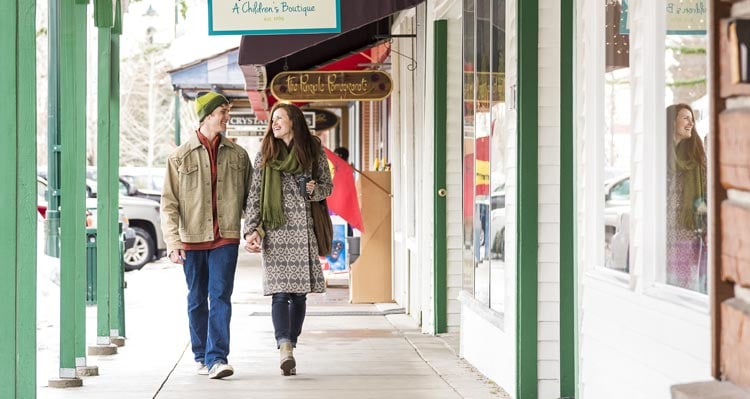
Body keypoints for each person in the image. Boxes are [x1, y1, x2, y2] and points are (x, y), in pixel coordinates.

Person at [161, 91, 251, 379]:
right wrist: (173, 242)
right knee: (197, 298)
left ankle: (217, 358)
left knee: (221, 296)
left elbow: (251, 197)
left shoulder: (238, 155)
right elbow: (169, 203)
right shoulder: (179, 157)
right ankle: (201, 353)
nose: (227, 117)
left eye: (227, 111)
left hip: (226, 237)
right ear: (207, 116)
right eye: (223, 112)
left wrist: (254, 229)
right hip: (192, 238)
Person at [243, 102, 332, 376]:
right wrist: (251, 229)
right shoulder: (265, 155)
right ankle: (284, 347)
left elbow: (327, 187)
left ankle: (290, 344)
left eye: (279, 118)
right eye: (272, 119)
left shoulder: (313, 152)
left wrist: (315, 189)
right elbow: (255, 196)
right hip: (276, 231)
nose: (274, 123)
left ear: (294, 120)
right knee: (280, 294)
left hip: (303, 231)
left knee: (299, 296)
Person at [666, 103, 707, 293]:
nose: (691, 123)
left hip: (686, 230)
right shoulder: (658, 154)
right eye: (685, 118)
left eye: (692, 119)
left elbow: (704, 195)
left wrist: (704, 227)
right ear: (672, 122)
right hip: (662, 230)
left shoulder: (696, 155)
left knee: (683, 286)